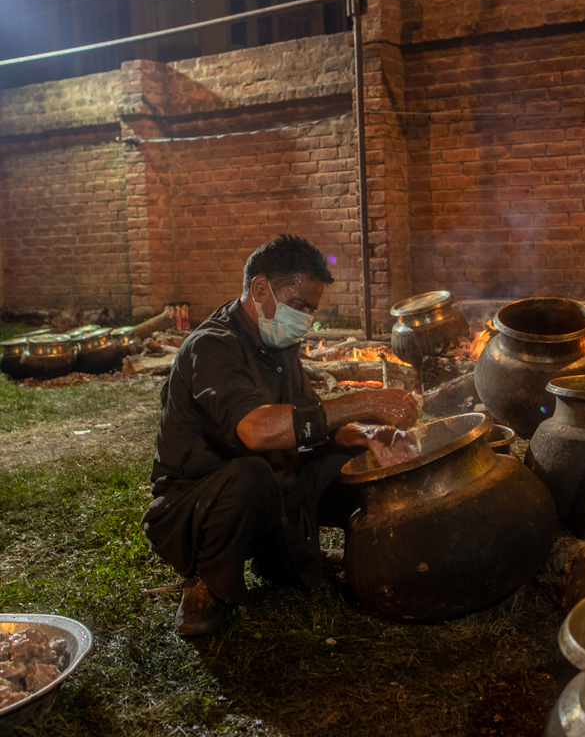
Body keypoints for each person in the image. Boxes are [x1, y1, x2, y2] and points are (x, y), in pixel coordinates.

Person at [142, 234, 419, 637]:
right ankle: (206, 582)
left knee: (359, 463)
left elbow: (310, 425)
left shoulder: (278, 345)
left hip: (276, 486)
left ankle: (338, 552)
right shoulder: (211, 347)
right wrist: (361, 402)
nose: (305, 318)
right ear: (259, 289)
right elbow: (256, 429)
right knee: (250, 476)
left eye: (312, 309)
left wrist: (366, 434)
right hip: (200, 503)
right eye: (300, 305)